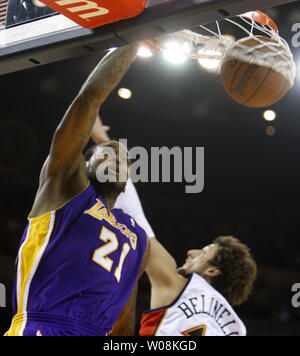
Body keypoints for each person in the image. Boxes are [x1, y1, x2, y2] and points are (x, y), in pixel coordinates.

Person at [4, 44, 149, 336]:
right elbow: (88, 99)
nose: (119, 159)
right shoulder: (65, 188)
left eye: (125, 158)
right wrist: (133, 42)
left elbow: (124, 319)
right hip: (42, 325)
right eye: (107, 152)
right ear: (85, 164)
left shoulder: (138, 237)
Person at [90, 115, 257, 337]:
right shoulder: (237, 328)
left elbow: (139, 227)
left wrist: (102, 140)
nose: (191, 252)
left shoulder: (181, 287)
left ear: (212, 270)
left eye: (204, 252)